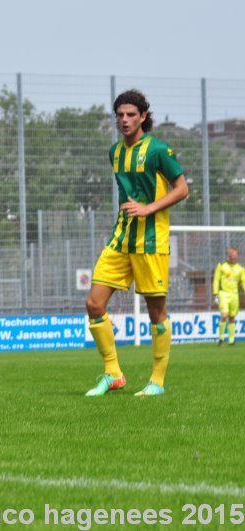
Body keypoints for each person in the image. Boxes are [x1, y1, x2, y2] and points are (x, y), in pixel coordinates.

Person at [84, 89, 188, 398]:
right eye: (119, 115)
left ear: (143, 117)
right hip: (121, 238)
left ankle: (157, 381)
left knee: (156, 312)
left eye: (131, 114)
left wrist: (148, 208)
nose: (124, 120)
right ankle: (113, 373)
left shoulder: (158, 150)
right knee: (94, 304)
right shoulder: (114, 152)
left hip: (151, 242)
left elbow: (182, 189)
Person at [212, 247, 245, 346]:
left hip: (234, 295)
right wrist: (215, 293)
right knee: (224, 315)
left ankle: (231, 340)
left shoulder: (240, 268)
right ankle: (221, 339)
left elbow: (243, 281)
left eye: (235, 255)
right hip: (223, 293)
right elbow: (216, 280)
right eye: (231, 255)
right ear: (228, 256)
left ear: (237, 256)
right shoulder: (221, 266)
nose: (233, 257)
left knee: (232, 317)